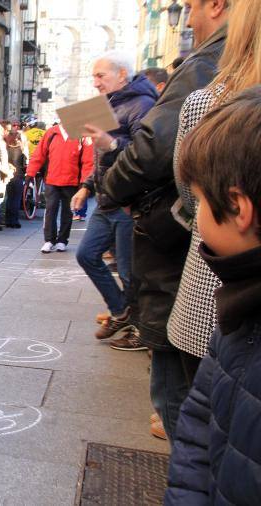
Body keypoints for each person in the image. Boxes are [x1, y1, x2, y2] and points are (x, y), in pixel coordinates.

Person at [101, 0, 228, 440]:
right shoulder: (216, 66)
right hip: (187, 235)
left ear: (217, 6)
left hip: (177, 234)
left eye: (190, 7)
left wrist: (110, 182)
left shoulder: (208, 68)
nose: (187, 19)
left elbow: (153, 149)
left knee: (180, 366)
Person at [165, 86, 261, 504]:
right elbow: (199, 427)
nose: (196, 214)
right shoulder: (240, 305)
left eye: (200, 200)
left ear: (239, 208)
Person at [167, 0, 260, 428]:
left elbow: (190, 197)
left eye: (190, 6)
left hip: (209, 300)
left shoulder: (213, 105)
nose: (187, 18)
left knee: (204, 422)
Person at [73, 50, 157, 351]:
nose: (95, 82)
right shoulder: (109, 104)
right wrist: (86, 187)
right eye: (93, 76)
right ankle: (122, 311)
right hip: (106, 198)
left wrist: (112, 143)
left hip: (128, 200)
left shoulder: (142, 104)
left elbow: (147, 154)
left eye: (100, 75)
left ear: (122, 75)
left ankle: (139, 329)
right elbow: (101, 158)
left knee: (128, 270)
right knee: (86, 254)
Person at [26, 123, 94, 253]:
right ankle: (49, 240)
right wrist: (31, 172)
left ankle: (62, 240)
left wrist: (85, 183)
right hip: (52, 179)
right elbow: (39, 153)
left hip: (72, 180)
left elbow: (88, 161)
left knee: (67, 212)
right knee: (50, 210)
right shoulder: (51, 133)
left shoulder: (82, 134)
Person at [3, 127, 26, 229]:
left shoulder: (6, 147)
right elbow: (25, 164)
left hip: (7, 175)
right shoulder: (22, 149)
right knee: (16, 199)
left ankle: (8, 220)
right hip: (18, 175)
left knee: (9, 198)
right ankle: (14, 221)